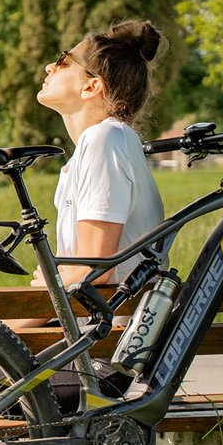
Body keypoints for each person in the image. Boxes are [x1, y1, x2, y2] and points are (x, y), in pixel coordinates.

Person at [33, 19, 166, 289]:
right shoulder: (95, 147)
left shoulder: (105, 140)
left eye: (63, 61)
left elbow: (94, 269)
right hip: (92, 322)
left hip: (114, 328)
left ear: (91, 87)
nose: (50, 67)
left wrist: (48, 280)